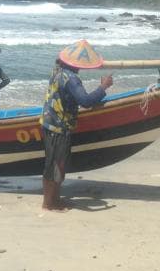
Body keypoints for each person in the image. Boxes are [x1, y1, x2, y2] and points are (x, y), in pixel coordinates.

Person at [40, 39, 113, 210]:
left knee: (55, 164)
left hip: (49, 123)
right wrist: (103, 87)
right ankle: (49, 203)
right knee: (56, 165)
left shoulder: (57, 71)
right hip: (58, 127)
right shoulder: (72, 79)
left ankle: (54, 199)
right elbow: (85, 101)